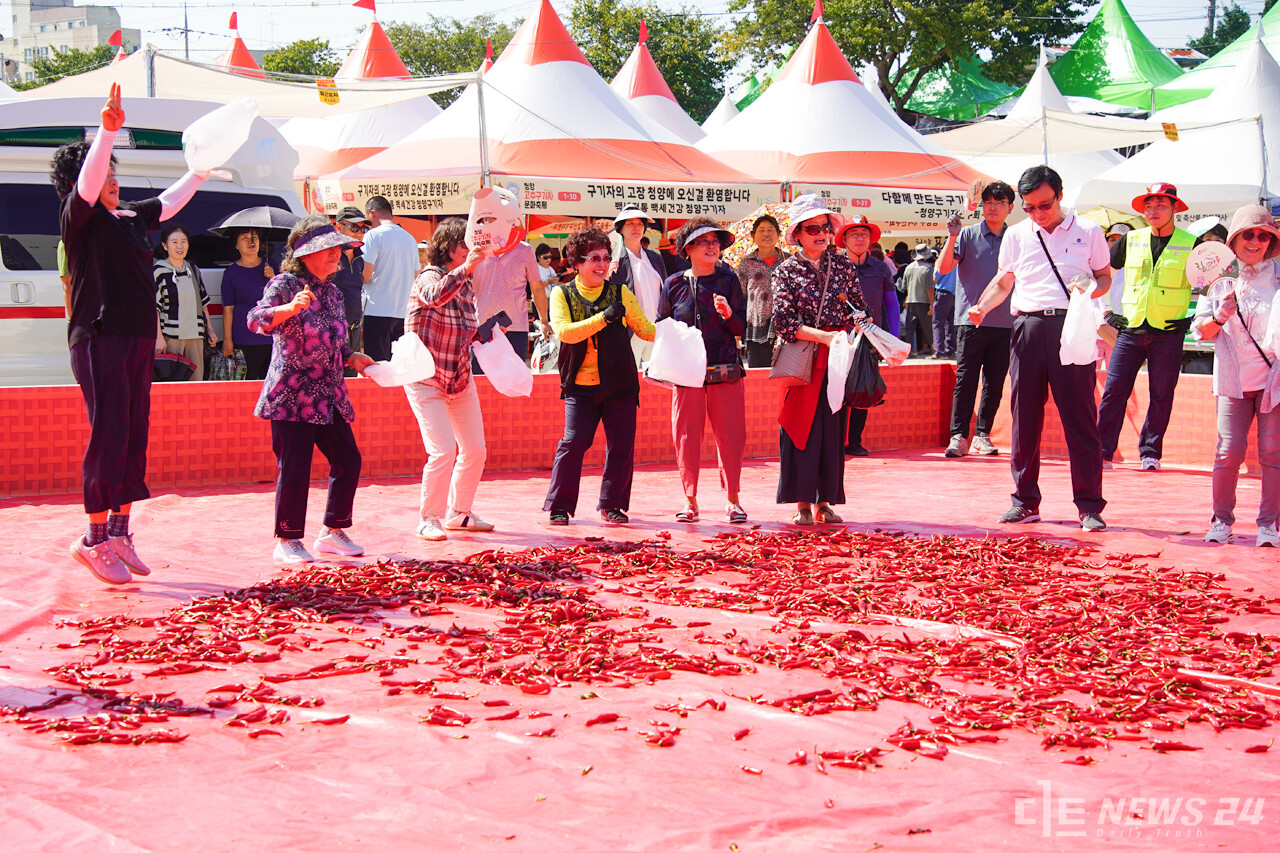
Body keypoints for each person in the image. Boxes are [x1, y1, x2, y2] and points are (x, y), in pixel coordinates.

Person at [54, 82, 210, 584]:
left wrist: (201, 169)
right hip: (100, 338)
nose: (113, 180)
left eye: (116, 174)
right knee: (109, 434)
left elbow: (169, 201)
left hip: (140, 340)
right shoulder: (80, 220)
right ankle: (92, 538)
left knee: (133, 434)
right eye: (106, 175)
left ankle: (120, 531)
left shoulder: (128, 218)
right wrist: (106, 134)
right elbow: (88, 181)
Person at [968, 165, 1112, 531]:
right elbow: (1004, 281)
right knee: (1024, 418)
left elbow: (1105, 276)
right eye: (1029, 208)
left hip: (1071, 325)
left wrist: (1091, 288)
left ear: (1060, 196)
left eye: (1043, 206)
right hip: (1028, 326)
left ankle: (1090, 506)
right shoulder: (1016, 235)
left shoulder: (1089, 230)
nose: (1037, 214)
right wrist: (982, 306)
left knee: (1080, 418)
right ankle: (1024, 500)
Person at [247, 215, 375, 563]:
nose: (336, 254)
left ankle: (333, 531)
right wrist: (288, 309)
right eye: (327, 249)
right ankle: (287, 539)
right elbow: (256, 320)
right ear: (304, 254)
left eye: (337, 248)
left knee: (348, 459)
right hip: (292, 395)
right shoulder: (286, 284)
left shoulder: (333, 293)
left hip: (328, 393)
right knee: (295, 467)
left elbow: (333, 341)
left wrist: (353, 356)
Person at [543, 227, 655, 525]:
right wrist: (605, 317)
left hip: (620, 383)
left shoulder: (620, 292)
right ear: (576, 262)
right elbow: (565, 332)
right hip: (580, 386)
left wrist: (680, 334)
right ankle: (560, 506)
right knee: (573, 442)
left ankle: (612, 504)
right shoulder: (561, 293)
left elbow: (645, 329)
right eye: (593, 258)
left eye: (606, 258)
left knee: (621, 445)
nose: (601, 264)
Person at [772, 194, 867, 525]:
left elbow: (858, 306)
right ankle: (801, 503)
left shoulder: (842, 265)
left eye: (825, 227)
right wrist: (823, 336)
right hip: (802, 358)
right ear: (797, 232)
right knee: (801, 427)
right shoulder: (785, 271)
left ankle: (824, 502)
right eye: (812, 227)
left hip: (837, 357)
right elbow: (784, 323)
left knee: (832, 429)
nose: (821, 233)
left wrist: (862, 329)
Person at [1191, 204, 1280, 548]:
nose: (1255, 241)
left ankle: (1269, 524)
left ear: (1271, 241)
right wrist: (1220, 315)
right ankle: (1221, 520)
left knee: (1273, 454)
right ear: (1234, 239)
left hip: (1274, 379)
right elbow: (1200, 329)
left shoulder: (1278, 277)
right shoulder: (1217, 279)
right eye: (1247, 234)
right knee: (1228, 452)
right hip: (1232, 380)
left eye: (1263, 235)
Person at [1097, 182, 1196, 472]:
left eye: (1160, 205)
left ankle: (1150, 452)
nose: (1153, 211)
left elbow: (1212, 285)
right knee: (1114, 390)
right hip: (1130, 328)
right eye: (1148, 206)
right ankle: (1103, 451)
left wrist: (1192, 318)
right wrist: (1106, 311)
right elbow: (1103, 273)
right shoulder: (1130, 240)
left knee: (1162, 393)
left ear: (1175, 208)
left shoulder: (1192, 244)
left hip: (1169, 332)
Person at [404, 218, 492, 542]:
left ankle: (460, 513)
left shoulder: (466, 283)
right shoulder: (430, 276)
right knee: (442, 451)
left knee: (475, 450)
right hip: (426, 379)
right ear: (450, 248)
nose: (472, 250)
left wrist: (486, 334)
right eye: (466, 245)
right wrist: (467, 268)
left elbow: (465, 331)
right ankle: (429, 518)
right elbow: (435, 296)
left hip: (459, 378)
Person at [658, 217, 749, 524]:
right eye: (704, 242)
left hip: (725, 369)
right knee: (686, 436)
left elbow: (741, 326)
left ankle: (733, 500)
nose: (712, 247)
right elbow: (662, 326)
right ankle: (690, 500)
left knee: (732, 436)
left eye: (715, 242)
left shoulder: (728, 279)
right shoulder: (674, 284)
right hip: (687, 375)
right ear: (688, 248)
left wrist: (727, 314)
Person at [938, 181, 1015, 458]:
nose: (993, 208)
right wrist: (951, 237)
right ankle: (958, 436)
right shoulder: (967, 234)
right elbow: (943, 269)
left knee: (994, 381)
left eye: (1000, 203)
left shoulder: (1015, 237)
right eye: (988, 203)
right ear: (982, 206)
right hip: (970, 320)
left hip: (1006, 321)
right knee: (966, 379)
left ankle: (983, 434)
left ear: (1010, 207)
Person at [836, 214, 899, 457]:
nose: (859, 238)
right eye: (853, 234)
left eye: (864, 234)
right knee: (838, 389)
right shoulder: (835, 266)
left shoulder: (881, 268)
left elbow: (891, 304)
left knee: (864, 388)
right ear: (844, 239)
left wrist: (892, 339)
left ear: (870, 239)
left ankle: (855, 441)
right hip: (840, 338)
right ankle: (836, 441)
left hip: (871, 338)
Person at [472, 237, 548, 368]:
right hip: (482, 328)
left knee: (514, 382)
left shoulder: (524, 249)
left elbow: (537, 287)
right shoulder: (475, 249)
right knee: (480, 381)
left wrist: (544, 322)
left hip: (515, 328)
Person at [154, 223, 217, 380]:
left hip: (195, 336)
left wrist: (209, 329)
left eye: (183, 241)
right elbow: (153, 308)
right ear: (165, 246)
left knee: (196, 380)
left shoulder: (193, 270)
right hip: (171, 338)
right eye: (174, 242)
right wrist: (158, 337)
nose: (179, 246)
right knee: (172, 382)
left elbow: (203, 302)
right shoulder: (159, 272)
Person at [360, 195, 418, 363]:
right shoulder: (410, 238)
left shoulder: (372, 236)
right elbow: (415, 277)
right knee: (400, 367)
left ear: (371, 213)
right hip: (403, 312)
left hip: (377, 310)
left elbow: (366, 275)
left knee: (377, 367)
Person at [610, 207, 666, 365]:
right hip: (630, 331)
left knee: (659, 377)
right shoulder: (615, 260)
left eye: (640, 224)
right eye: (630, 223)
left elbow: (665, 290)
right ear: (620, 229)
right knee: (628, 378)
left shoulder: (655, 257)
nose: (636, 227)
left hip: (656, 328)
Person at [220, 227, 276, 380]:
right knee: (247, 382)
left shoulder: (271, 265)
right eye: (245, 238)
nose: (251, 241)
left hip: (271, 337)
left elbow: (283, 299)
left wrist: (273, 278)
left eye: (255, 238)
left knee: (272, 384)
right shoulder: (231, 273)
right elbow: (228, 308)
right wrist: (227, 339)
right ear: (236, 245)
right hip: (244, 338)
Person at [735, 214, 789, 369]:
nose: (766, 234)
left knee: (785, 377)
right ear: (753, 236)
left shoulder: (789, 261)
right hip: (755, 330)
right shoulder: (746, 263)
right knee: (760, 379)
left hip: (785, 329)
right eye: (762, 230)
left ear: (778, 235)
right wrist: (737, 332)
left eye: (771, 230)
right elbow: (741, 297)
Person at [332, 207, 368, 371]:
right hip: (334, 331)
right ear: (338, 228)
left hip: (354, 329)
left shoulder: (360, 258)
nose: (359, 232)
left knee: (351, 385)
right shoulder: (332, 256)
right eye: (354, 227)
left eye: (362, 228)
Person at [900, 244, 934, 356]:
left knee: (910, 328)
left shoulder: (908, 268)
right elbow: (930, 287)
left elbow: (904, 286)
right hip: (924, 301)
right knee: (928, 327)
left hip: (910, 301)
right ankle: (934, 351)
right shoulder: (928, 269)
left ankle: (908, 352)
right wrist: (932, 304)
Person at [931, 260, 957, 359]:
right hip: (954, 295)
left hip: (943, 293)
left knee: (937, 323)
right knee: (950, 323)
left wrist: (936, 267)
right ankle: (950, 350)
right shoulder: (958, 262)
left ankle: (939, 351)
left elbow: (935, 278)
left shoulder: (944, 261)